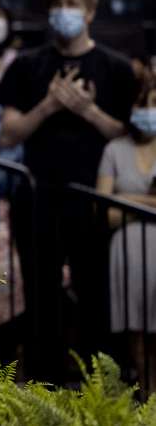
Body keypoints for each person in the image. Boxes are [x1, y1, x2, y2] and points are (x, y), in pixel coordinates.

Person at [0, 0, 138, 382]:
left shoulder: (117, 67)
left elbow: (129, 135)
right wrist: (48, 106)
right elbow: (8, 133)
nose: (63, 13)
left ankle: (101, 381)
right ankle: (45, 380)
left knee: (96, 291)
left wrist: (87, 111)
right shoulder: (26, 66)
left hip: (95, 196)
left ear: (90, 12)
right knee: (42, 292)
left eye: (72, 5)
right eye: (56, 4)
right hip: (38, 194)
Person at [101, 76, 156, 391]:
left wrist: (128, 200)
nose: (149, 111)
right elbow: (106, 214)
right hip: (128, 249)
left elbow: (115, 204)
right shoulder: (114, 149)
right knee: (136, 328)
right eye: (143, 104)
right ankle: (148, 398)